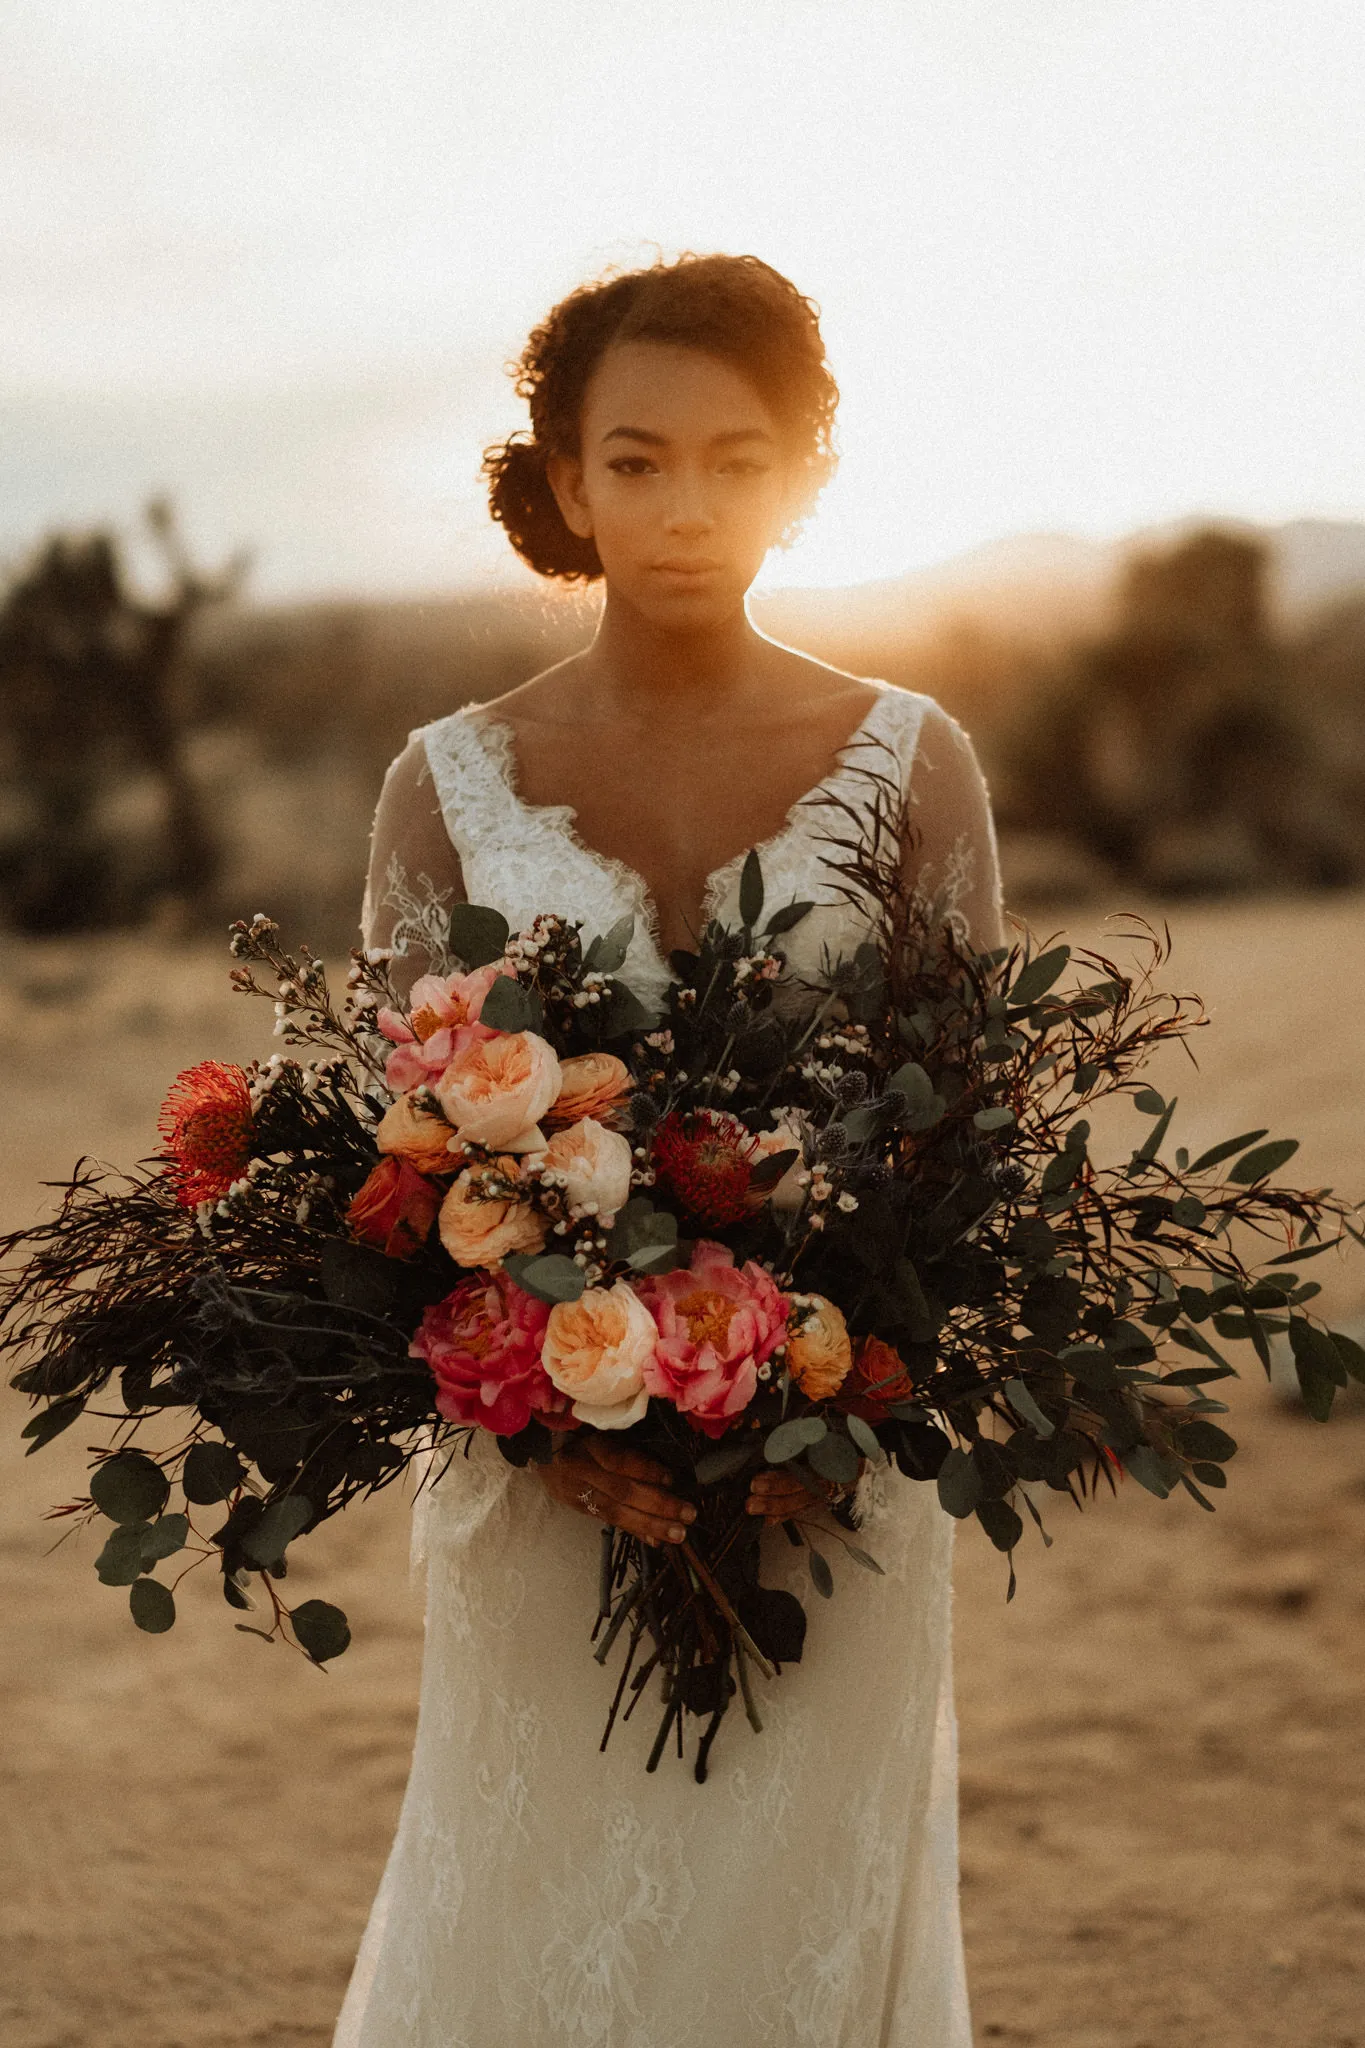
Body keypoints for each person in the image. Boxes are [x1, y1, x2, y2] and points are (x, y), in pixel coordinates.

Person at [335, 251, 1004, 2048]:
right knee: (540, 1908)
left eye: (735, 456)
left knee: (798, 1917)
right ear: (564, 484)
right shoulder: (446, 783)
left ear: (806, 473)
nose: (686, 506)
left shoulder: (914, 761)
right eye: (635, 461)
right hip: (545, 1487)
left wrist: (848, 1400)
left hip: (838, 1481)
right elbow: (386, 1170)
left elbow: (966, 1150)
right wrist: (547, 1432)